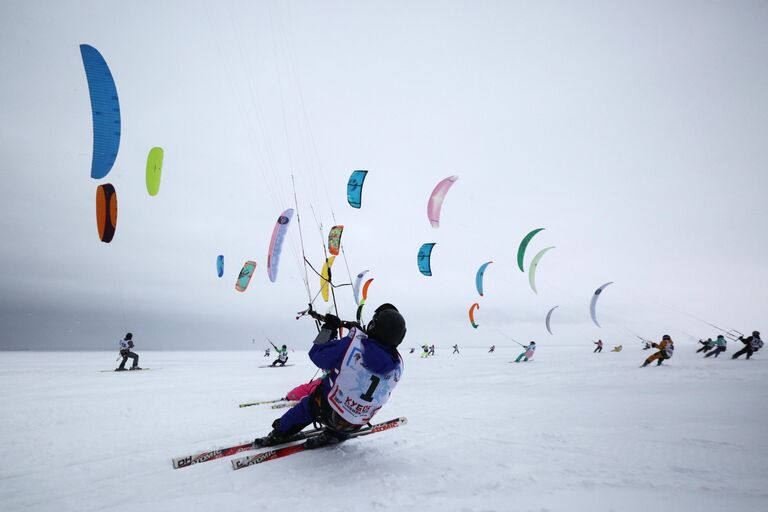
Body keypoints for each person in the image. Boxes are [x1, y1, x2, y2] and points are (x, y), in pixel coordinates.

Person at [253, 303, 405, 449]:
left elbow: (316, 354)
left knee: (307, 406)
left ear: (373, 326)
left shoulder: (352, 345)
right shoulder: (398, 366)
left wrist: (328, 328)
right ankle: (336, 435)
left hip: (327, 409)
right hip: (355, 423)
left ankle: (280, 433)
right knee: (348, 409)